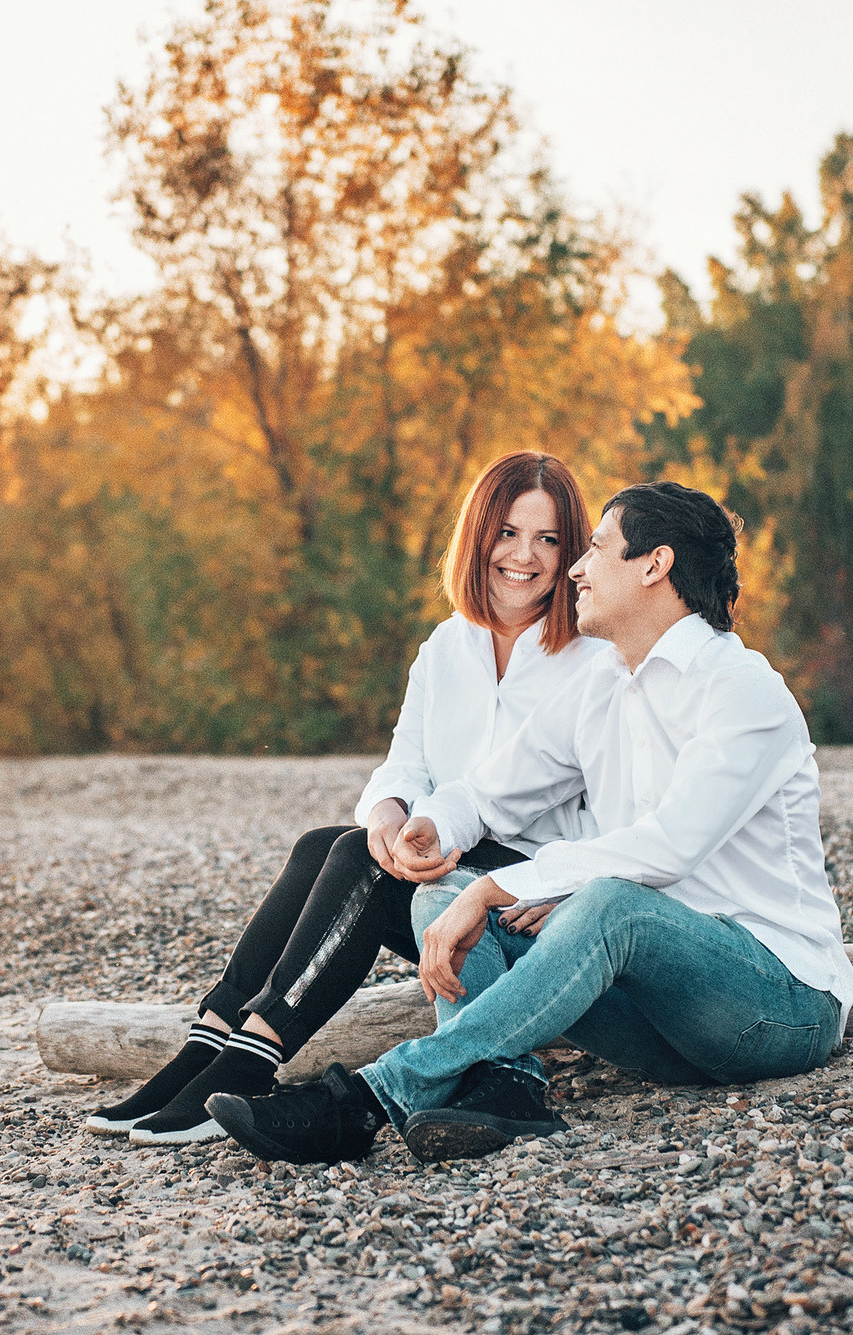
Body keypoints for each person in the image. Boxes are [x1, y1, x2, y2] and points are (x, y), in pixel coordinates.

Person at [206, 480, 853, 1164]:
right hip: (661, 1027)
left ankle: (371, 1098)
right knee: (446, 892)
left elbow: (669, 846)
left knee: (607, 903)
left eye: (596, 549)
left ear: (654, 565)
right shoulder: (603, 683)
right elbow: (489, 794)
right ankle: (503, 1092)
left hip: (778, 1005)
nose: (574, 567)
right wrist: (431, 828)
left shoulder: (741, 687)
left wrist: (504, 886)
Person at [85, 451, 606, 1146]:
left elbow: (611, 814)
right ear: (478, 535)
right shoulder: (448, 647)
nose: (525, 556)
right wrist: (390, 818)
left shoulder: (592, 657)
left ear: (571, 554)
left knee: (354, 858)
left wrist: (556, 886)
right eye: (508, 532)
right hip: (443, 875)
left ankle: (250, 1058)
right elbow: (403, 765)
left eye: (548, 539)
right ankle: (208, 1043)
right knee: (329, 845)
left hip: (525, 903)